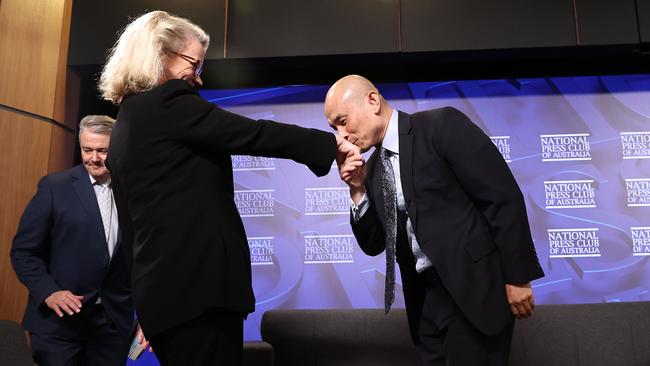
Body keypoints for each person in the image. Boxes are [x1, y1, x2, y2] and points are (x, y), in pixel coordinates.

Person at [97, 10, 358, 365]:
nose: (199, 80)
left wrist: (147, 308)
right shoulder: (168, 104)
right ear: (160, 54)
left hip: (165, 302)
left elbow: (131, 230)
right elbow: (252, 133)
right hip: (199, 294)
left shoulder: (127, 121)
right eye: (195, 64)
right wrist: (330, 146)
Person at [326, 75, 545, 365]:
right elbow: (375, 243)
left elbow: (502, 197)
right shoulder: (374, 168)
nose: (342, 136)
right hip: (426, 304)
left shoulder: (440, 126)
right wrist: (357, 190)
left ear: (373, 100)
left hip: (474, 293)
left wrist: (518, 278)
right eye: (334, 128)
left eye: (343, 121)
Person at [11, 115, 135, 366]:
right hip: (58, 326)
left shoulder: (134, 192)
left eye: (102, 150)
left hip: (111, 327)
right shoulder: (55, 187)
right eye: (87, 150)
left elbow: (143, 258)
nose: (94, 158)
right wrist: (50, 291)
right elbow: (24, 252)